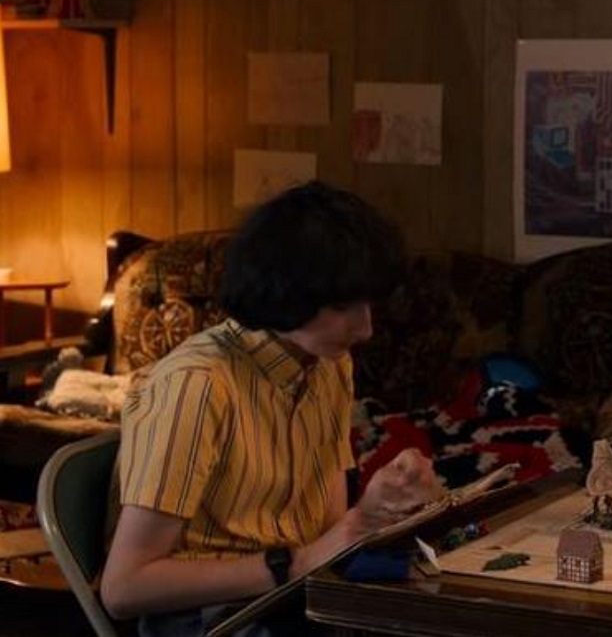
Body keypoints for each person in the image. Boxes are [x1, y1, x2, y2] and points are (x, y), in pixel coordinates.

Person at [101, 181, 445, 635]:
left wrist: (377, 512)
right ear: (287, 292)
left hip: (292, 598)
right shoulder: (196, 385)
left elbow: (326, 537)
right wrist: (296, 563)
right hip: (207, 616)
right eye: (343, 305)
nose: (365, 329)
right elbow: (124, 589)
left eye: (367, 303)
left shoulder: (329, 364)